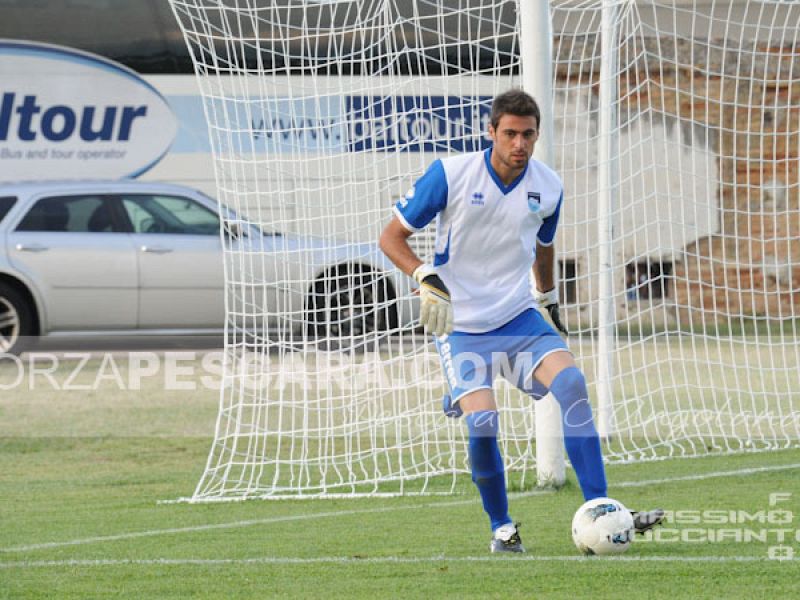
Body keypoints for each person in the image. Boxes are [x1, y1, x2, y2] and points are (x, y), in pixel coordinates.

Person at [379, 89, 663, 553]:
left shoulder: (548, 186)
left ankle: (603, 509)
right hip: (461, 325)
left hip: (517, 317)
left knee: (571, 384)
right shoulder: (451, 175)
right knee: (485, 421)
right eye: (509, 133)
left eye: (528, 134)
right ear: (491, 132)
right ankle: (502, 527)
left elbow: (544, 243)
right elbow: (391, 236)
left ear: (536, 135)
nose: (519, 143)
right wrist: (422, 273)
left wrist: (547, 298)